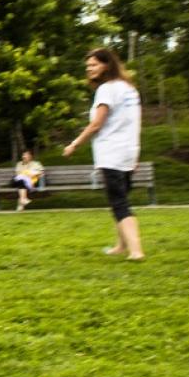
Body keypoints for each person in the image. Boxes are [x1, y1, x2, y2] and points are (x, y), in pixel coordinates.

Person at [63, 47, 145, 261]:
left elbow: (97, 124)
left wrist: (75, 144)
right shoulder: (129, 89)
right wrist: (135, 154)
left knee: (119, 202)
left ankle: (136, 250)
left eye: (94, 65)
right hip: (128, 152)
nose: (89, 69)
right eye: (88, 66)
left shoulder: (107, 90)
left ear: (107, 65)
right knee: (122, 199)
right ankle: (121, 245)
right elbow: (134, 123)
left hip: (112, 153)